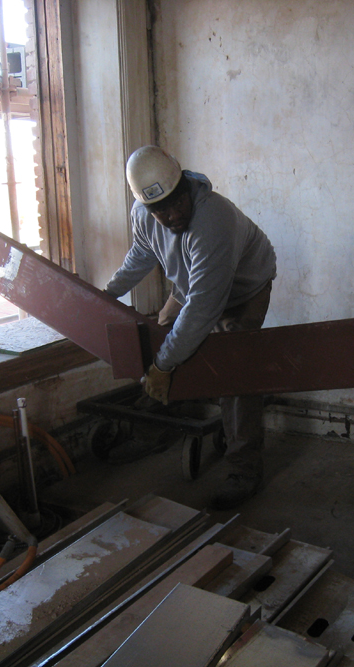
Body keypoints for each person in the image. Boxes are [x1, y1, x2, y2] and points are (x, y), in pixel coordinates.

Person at [104, 146, 277, 510]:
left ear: (185, 186)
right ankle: (159, 426)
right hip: (192, 284)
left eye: (175, 203)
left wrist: (165, 365)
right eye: (159, 210)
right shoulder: (145, 215)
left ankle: (244, 468)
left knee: (235, 366)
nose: (171, 216)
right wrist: (106, 294)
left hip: (245, 289)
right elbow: (143, 253)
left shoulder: (214, 218)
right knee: (160, 333)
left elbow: (203, 307)